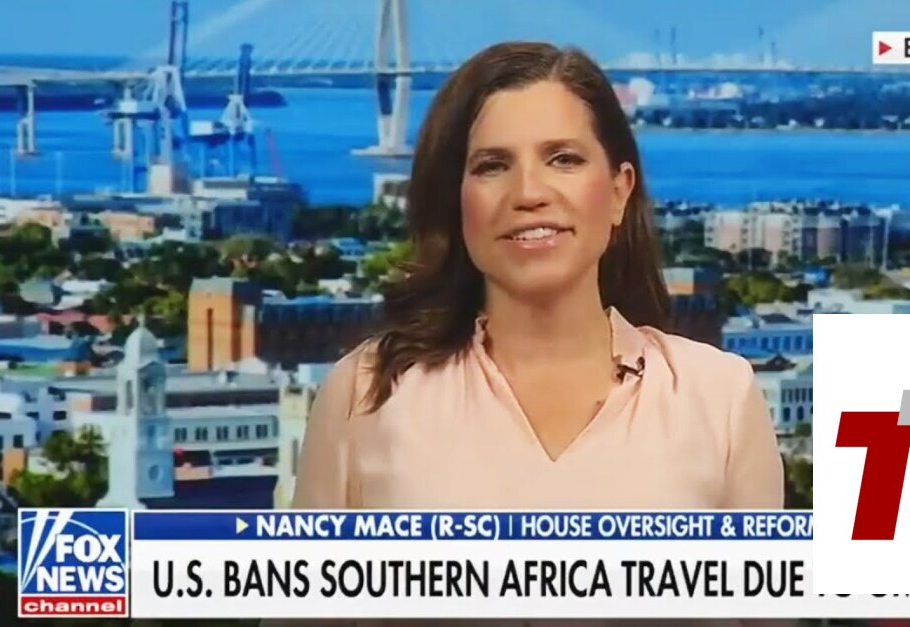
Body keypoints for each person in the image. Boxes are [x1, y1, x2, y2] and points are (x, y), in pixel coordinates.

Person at [291, 40, 784, 513]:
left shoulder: (720, 397)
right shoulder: (366, 393)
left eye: (563, 159)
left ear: (619, 192)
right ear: (455, 201)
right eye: (492, 166)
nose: (529, 193)